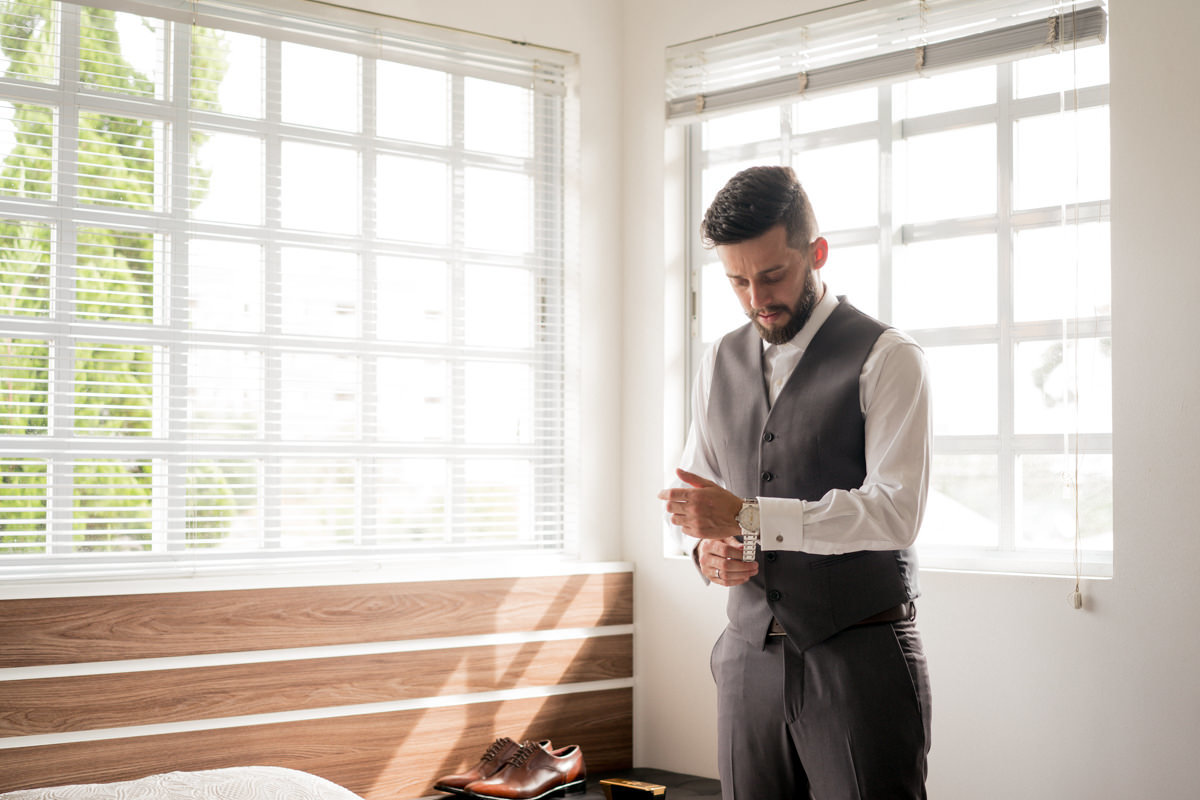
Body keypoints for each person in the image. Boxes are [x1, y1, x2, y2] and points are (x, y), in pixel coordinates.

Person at [657, 165, 933, 799]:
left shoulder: (889, 358)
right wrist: (707, 549)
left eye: (773, 275)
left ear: (817, 253)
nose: (757, 297)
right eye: (738, 281)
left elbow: (895, 513)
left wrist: (750, 519)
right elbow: (697, 498)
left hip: (859, 655)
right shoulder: (717, 361)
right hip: (745, 657)